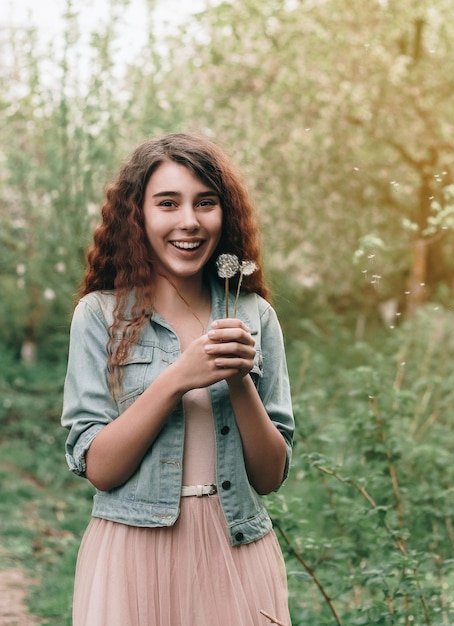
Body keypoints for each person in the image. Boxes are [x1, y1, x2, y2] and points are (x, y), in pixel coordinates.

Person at [61, 132, 295, 626]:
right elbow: (100, 469)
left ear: (223, 214)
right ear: (138, 215)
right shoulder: (99, 316)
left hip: (235, 547)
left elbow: (270, 476)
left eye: (205, 202)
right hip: (134, 551)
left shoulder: (255, 316)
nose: (189, 220)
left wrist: (238, 379)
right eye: (168, 203)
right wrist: (176, 379)